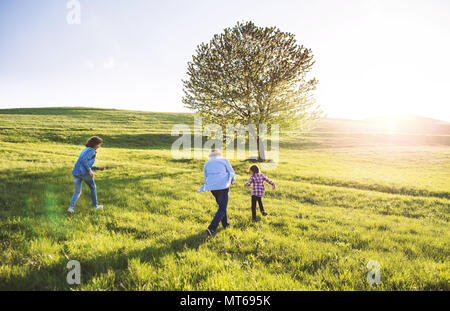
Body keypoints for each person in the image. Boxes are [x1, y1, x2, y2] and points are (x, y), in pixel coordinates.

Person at [199, 149, 236, 236]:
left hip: (212, 187)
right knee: (222, 208)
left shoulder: (207, 163)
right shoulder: (224, 160)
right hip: (222, 185)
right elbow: (231, 172)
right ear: (219, 154)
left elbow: (205, 176)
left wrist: (207, 186)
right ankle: (211, 228)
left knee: (222, 207)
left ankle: (225, 224)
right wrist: (232, 181)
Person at [68, 136, 106, 213]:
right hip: (84, 173)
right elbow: (84, 161)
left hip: (76, 172)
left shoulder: (85, 150)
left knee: (77, 191)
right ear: (95, 144)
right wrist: (89, 171)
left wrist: (98, 168)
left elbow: (85, 163)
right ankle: (95, 206)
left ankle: (71, 208)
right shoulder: (92, 151)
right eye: (99, 144)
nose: (99, 146)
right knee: (93, 187)